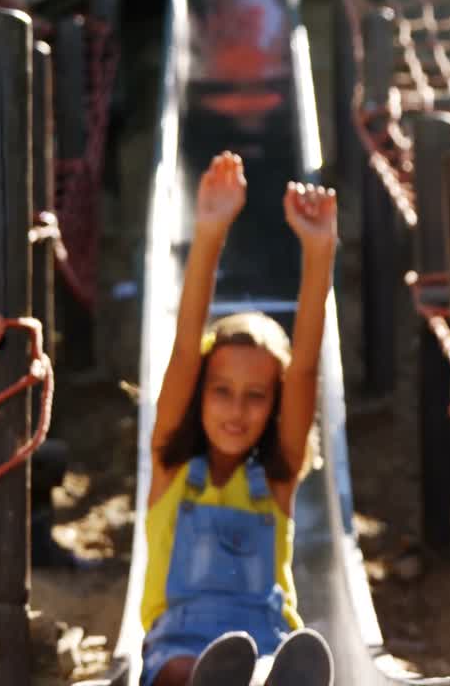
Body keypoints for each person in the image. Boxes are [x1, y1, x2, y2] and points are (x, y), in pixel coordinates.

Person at [139, 151, 336, 686]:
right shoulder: (170, 469)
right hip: (179, 649)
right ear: (199, 394)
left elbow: (303, 372)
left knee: (268, 664)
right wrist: (208, 232)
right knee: (180, 670)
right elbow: (184, 350)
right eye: (221, 391)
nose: (236, 409)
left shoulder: (274, 481)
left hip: (264, 644)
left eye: (255, 396)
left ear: (273, 409)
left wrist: (320, 252)